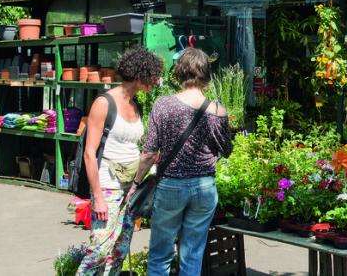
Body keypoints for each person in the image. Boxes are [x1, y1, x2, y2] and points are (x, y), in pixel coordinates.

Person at [131, 48, 233, 276]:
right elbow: (226, 150)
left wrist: (136, 183)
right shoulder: (218, 111)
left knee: (160, 255)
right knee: (192, 255)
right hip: (205, 187)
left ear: (179, 72)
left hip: (171, 186)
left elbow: (148, 153)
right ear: (206, 74)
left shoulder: (163, 105)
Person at [76, 46, 163, 275]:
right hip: (108, 186)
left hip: (130, 187)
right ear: (139, 75)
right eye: (151, 77)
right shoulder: (104, 103)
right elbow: (89, 153)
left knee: (120, 250)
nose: (154, 82)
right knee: (99, 250)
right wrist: (97, 197)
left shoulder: (137, 105)